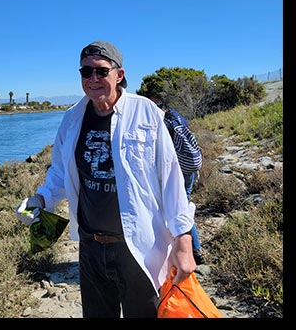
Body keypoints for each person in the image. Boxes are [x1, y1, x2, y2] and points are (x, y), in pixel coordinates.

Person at [16, 40, 197, 318]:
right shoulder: (72, 118)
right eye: (85, 72)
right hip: (90, 246)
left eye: (101, 71)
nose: (93, 79)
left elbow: (170, 179)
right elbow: (61, 173)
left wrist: (184, 242)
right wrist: (41, 199)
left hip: (139, 246)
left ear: (119, 74)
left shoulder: (146, 112)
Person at [149, 96, 205, 265]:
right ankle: (194, 250)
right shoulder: (177, 117)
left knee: (180, 210)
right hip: (189, 170)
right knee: (184, 207)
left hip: (176, 172)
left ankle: (193, 250)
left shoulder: (161, 124)